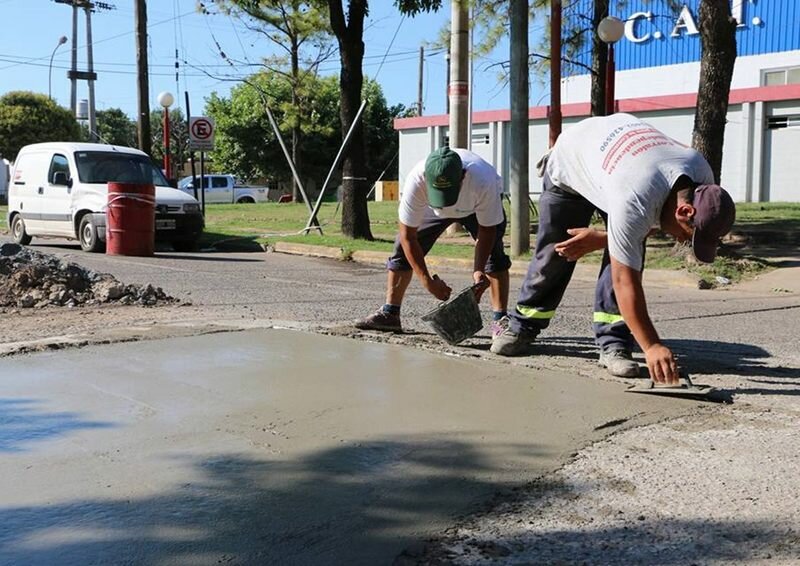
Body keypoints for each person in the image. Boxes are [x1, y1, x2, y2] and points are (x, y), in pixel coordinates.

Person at [492, 113, 736, 384]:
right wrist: (652, 346)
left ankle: (614, 342)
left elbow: (647, 226)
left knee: (626, 250)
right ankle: (522, 325)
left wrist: (602, 238)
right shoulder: (636, 194)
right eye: (687, 235)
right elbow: (624, 281)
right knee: (557, 252)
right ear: (685, 210)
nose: (682, 241)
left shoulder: (703, 179)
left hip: (618, 164)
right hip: (572, 163)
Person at [356, 147, 511, 340]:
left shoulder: (483, 180)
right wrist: (427, 281)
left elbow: (487, 230)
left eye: (448, 193)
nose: (446, 203)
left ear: (463, 176)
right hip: (433, 210)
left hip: (475, 207)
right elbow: (408, 237)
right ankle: (390, 314)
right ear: (427, 179)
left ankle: (500, 321)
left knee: (494, 254)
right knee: (401, 250)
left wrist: (478, 270)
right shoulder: (416, 180)